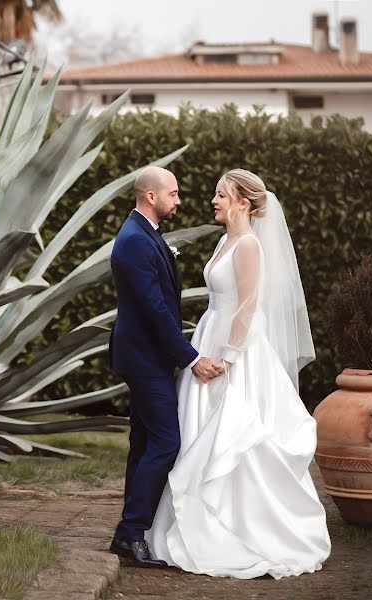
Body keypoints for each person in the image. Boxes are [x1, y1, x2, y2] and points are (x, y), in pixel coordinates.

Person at [144, 168, 331, 579]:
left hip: (235, 350)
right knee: (200, 432)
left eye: (221, 195)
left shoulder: (248, 245)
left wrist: (228, 358)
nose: (214, 200)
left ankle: (244, 527)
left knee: (235, 436)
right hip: (210, 336)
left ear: (244, 203)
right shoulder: (224, 239)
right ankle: (195, 524)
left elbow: (248, 306)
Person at [108, 165, 225, 568]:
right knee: (166, 443)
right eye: (173, 194)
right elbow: (154, 310)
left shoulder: (143, 234)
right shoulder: (135, 241)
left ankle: (128, 534)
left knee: (143, 444)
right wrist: (190, 357)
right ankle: (131, 532)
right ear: (151, 196)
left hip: (146, 356)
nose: (179, 201)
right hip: (144, 358)